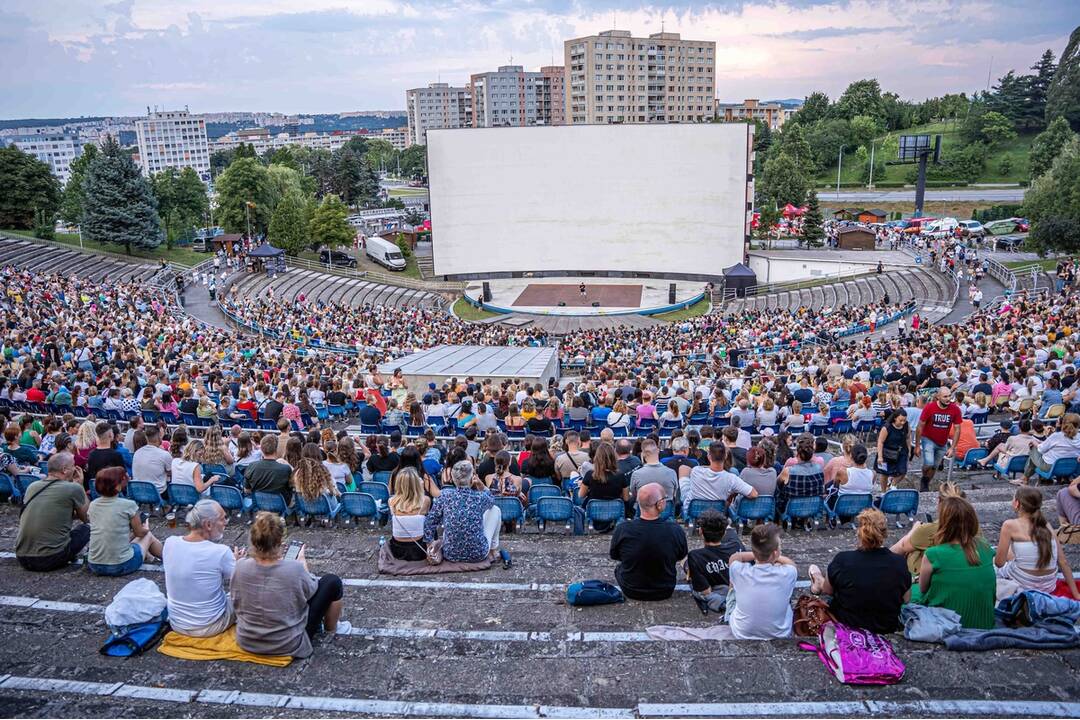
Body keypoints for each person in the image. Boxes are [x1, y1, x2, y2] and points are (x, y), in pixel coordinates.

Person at [232, 512, 348, 657]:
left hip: (247, 641)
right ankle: (332, 630)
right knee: (332, 581)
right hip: (287, 644)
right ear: (280, 542)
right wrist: (303, 566)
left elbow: (236, 601)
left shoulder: (239, 566)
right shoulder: (293, 568)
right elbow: (311, 592)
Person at [807, 508, 911, 634]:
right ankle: (817, 579)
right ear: (884, 533)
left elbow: (828, 590)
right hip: (886, 626)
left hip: (848, 624)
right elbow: (906, 598)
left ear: (859, 532)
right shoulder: (899, 562)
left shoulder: (842, 560)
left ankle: (817, 580)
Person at [911, 495, 996, 629]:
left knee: (911, 593)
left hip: (949, 623)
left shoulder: (934, 554)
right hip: (985, 622)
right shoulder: (985, 546)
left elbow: (923, 589)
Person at [162, 499, 243, 637]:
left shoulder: (170, 542)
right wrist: (239, 563)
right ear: (208, 524)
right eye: (223, 519)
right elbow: (240, 577)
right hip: (211, 625)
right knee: (245, 589)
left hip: (177, 623)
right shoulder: (220, 552)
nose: (226, 522)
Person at [995, 487, 1079, 599]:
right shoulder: (1046, 525)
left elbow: (999, 563)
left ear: (1017, 503)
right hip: (1049, 586)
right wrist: (1076, 594)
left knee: (992, 565)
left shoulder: (1009, 525)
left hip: (1024, 583)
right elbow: (1063, 562)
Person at [423, 460, 511, 567]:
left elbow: (430, 521)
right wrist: (482, 486)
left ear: (453, 478)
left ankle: (489, 550)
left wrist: (429, 544)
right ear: (472, 477)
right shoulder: (480, 497)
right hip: (478, 553)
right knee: (495, 510)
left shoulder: (444, 496)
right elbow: (492, 500)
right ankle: (493, 551)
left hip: (450, 554)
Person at [609, 483, 688, 601]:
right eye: (664, 499)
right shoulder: (675, 530)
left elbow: (615, 555)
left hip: (631, 590)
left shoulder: (623, 529)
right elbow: (681, 555)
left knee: (619, 568)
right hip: (665, 590)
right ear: (659, 504)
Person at [14, 453, 90, 571]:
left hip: (22, 558)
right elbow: (86, 517)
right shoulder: (73, 488)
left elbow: (56, 512)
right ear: (64, 470)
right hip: (49, 558)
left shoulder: (32, 486)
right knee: (87, 528)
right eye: (73, 466)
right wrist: (80, 485)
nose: (75, 469)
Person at [726, 523, 798, 640]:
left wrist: (757, 553)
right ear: (775, 553)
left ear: (754, 551)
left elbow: (734, 558)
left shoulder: (739, 570)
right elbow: (791, 564)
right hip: (780, 633)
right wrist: (774, 558)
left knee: (733, 588)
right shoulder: (788, 572)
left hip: (741, 633)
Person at [87, 467, 163, 575]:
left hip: (94, 565)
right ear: (117, 486)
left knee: (126, 539)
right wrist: (146, 528)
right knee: (148, 536)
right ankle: (168, 558)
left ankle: (149, 557)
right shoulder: (128, 505)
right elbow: (139, 533)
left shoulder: (93, 505)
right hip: (121, 565)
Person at [685, 509, 744, 615]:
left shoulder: (695, 556)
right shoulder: (736, 545)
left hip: (719, 591)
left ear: (700, 532)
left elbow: (705, 591)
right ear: (724, 532)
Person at [915, 387, 962, 492]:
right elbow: (920, 426)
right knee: (929, 463)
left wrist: (952, 447)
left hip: (942, 442)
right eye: (945, 396)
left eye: (949, 396)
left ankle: (925, 482)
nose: (948, 399)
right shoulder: (930, 407)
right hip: (928, 438)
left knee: (934, 467)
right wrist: (917, 445)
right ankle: (924, 477)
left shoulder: (955, 409)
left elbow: (957, 429)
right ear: (938, 397)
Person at [1019, 413, 1080, 487]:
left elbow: (1041, 449)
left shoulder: (1056, 436)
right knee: (1036, 453)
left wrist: (1034, 442)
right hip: (1072, 468)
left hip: (1051, 467)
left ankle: (1025, 479)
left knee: (1033, 449)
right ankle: (1026, 478)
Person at [389, 467, 432, 561]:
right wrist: (421, 488)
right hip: (419, 550)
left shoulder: (391, 501)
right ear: (417, 483)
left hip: (397, 550)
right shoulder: (426, 500)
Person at [243, 434, 294, 505]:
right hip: (280, 505)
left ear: (261, 449)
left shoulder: (251, 466)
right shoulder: (286, 469)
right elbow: (292, 487)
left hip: (260, 504)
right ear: (276, 449)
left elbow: (247, 490)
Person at [627, 439, 678, 505]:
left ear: (643, 454)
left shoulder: (636, 474)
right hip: (666, 510)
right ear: (658, 451)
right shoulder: (671, 473)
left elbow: (634, 495)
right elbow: (675, 494)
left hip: (644, 510)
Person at [131, 425, 172, 497]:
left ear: (146, 438)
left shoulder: (137, 453)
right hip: (158, 494)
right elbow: (171, 473)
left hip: (138, 492)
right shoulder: (164, 454)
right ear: (159, 437)